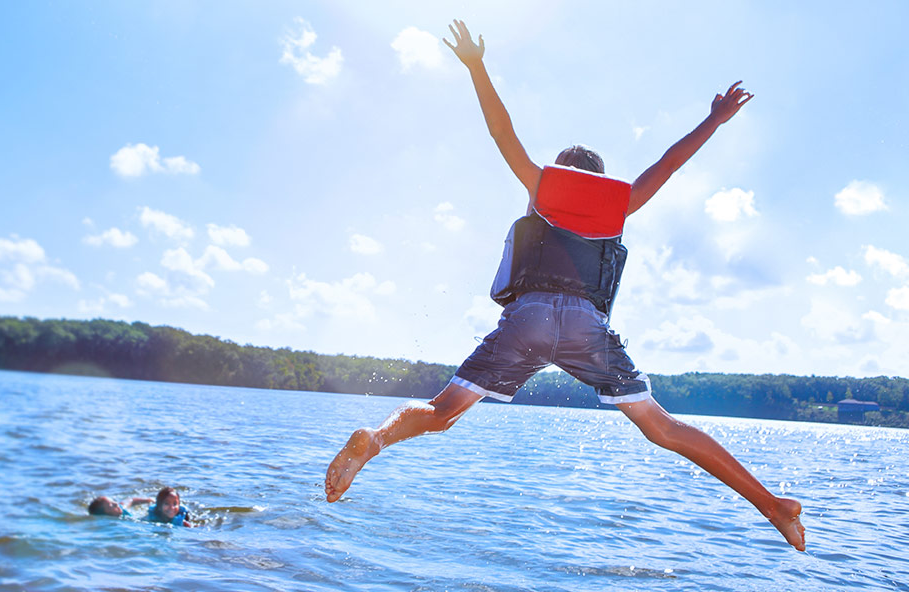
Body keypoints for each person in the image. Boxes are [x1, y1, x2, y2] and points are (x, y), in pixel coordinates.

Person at [323, 20, 806, 552]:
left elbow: (501, 132)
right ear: (601, 178)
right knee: (662, 428)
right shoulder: (622, 203)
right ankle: (772, 505)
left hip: (526, 319)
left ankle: (377, 438)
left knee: (442, 413)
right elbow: (670, 162)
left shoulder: (540, 186)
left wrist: (477, 66)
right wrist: (715, 118)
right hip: (584, 327)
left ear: (559, 174)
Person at [87, 494, 153, 518]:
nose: (116, 504)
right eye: (111, 505)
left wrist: (147, 500)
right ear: (106, 514)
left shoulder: (121, 508)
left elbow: (131, 500)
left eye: (113, 501)